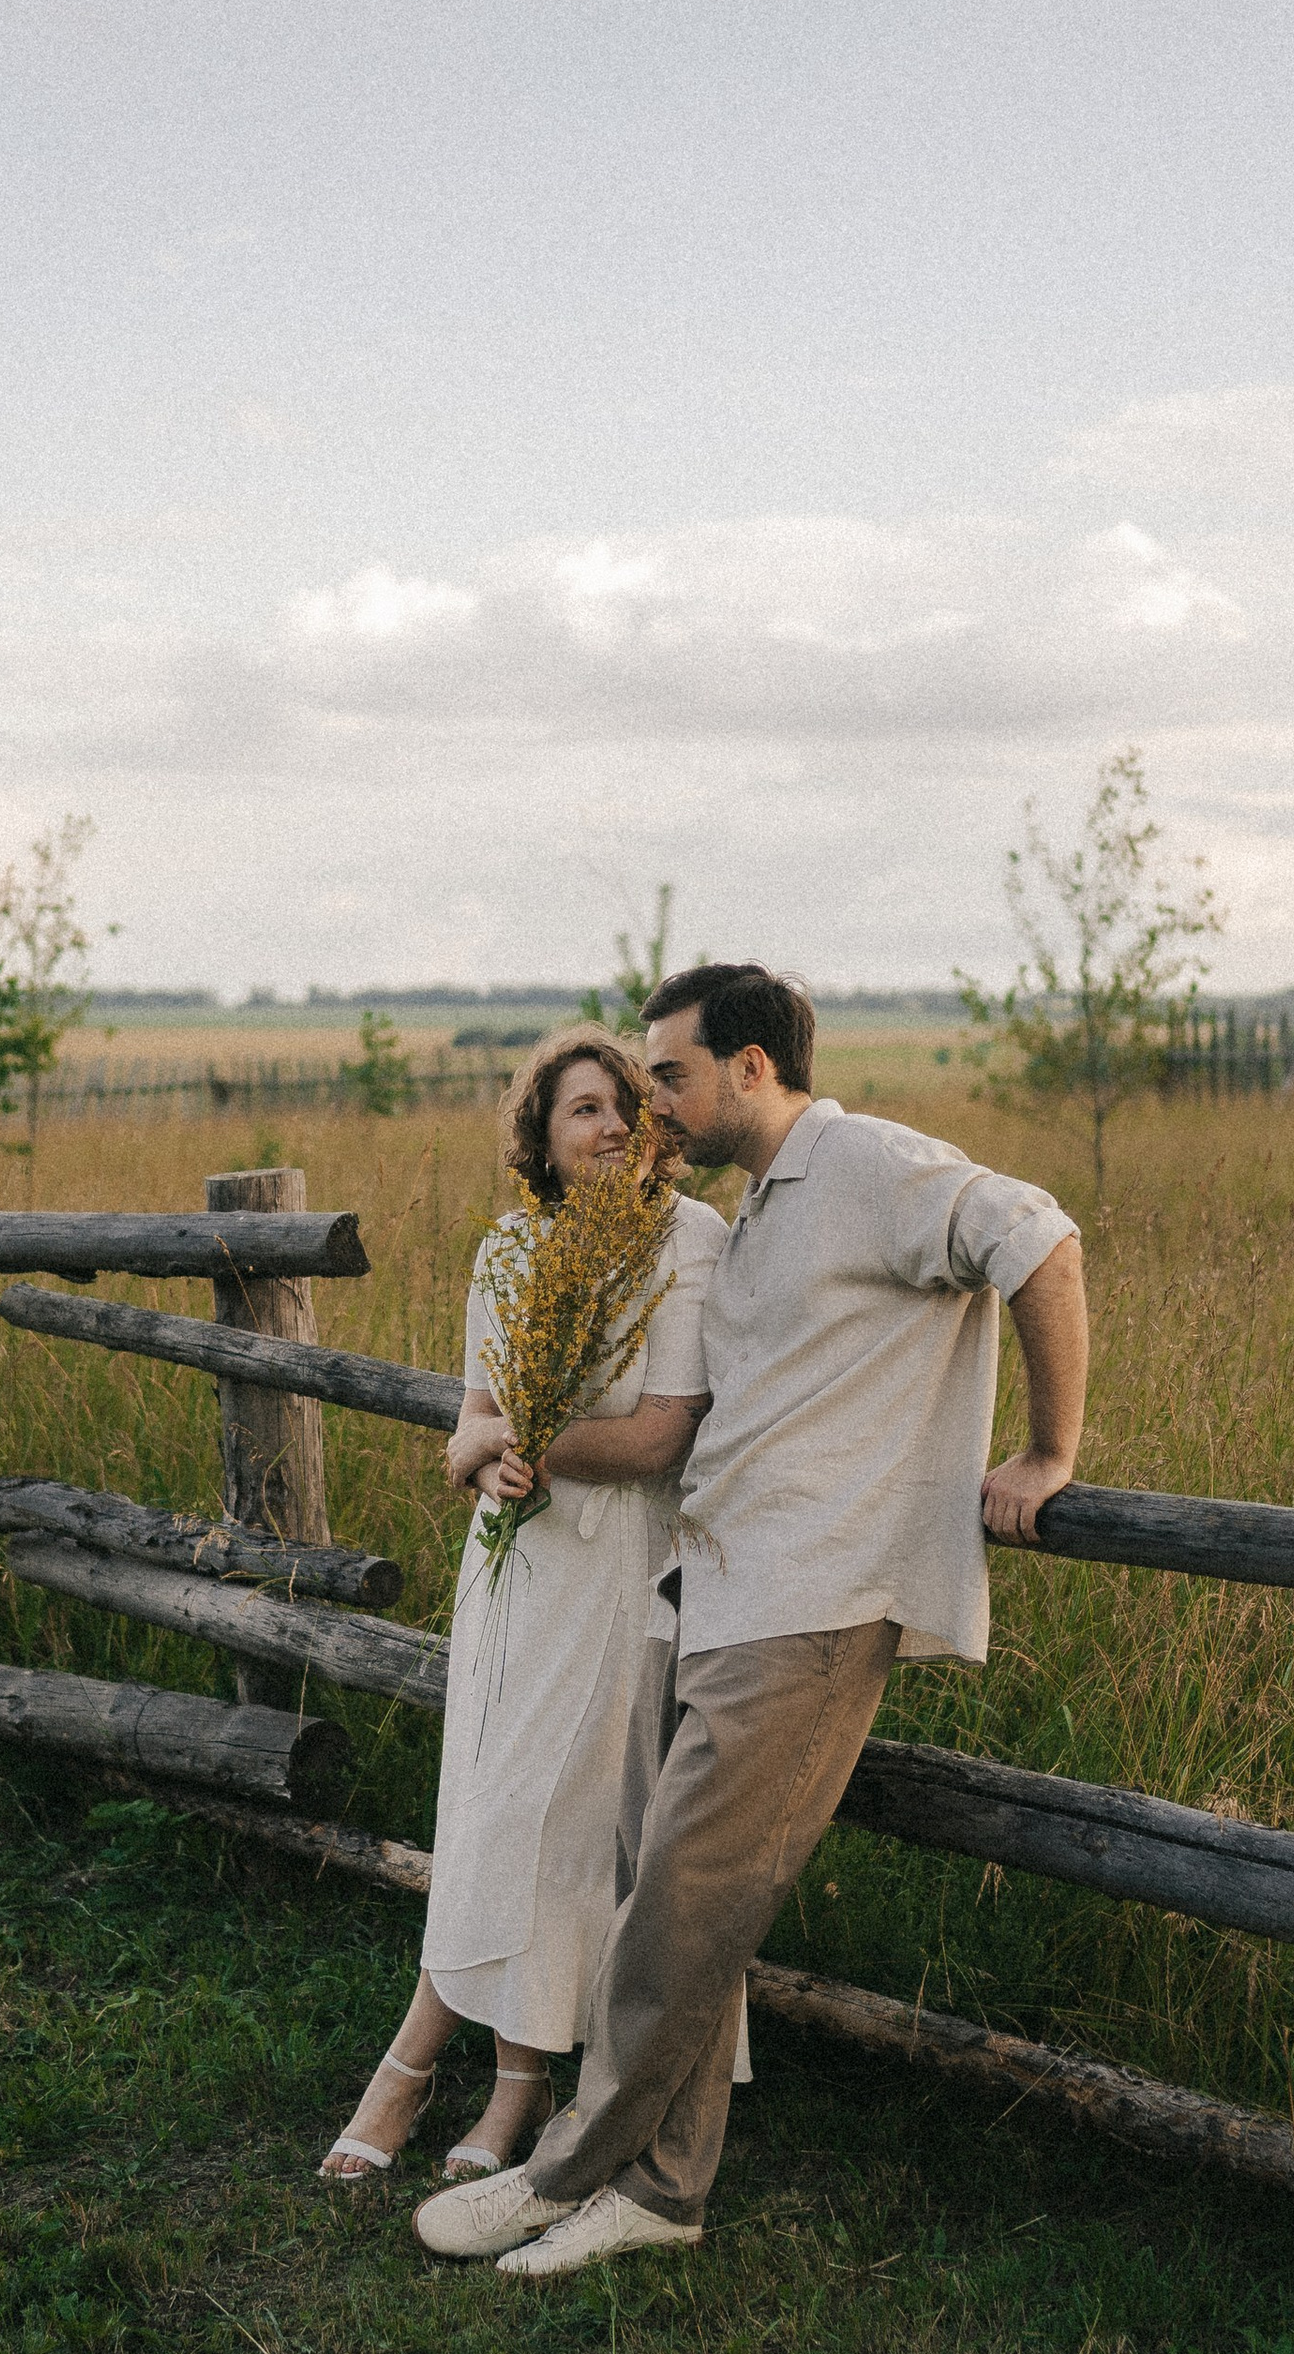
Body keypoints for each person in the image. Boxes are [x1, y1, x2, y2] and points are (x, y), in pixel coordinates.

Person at [413, 961, 1088, 2278]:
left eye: (669, 1074)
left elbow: (1041, 1238)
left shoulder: (871, 1167)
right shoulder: (755, 1211)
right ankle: (666, 2193)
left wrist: (1049, 1452)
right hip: (712, 1587)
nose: (653, 1103)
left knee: (675, 1901)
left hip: (813, 1597)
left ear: (752, 1069)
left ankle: (564, 2172)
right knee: (689, 1903)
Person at [319, 1030, 728, 2182]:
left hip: (619, 1570)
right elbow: (467, 1427)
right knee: (496, 1810)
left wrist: (539, 1446)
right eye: (581, 1112)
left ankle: (416, 2067)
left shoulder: (689, 1243)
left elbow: (661, 1434)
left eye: (623, 1108)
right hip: (513, 1568)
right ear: (541, 1142)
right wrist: (491, 1455)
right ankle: (515, 2079)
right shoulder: (508, 1251)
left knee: (548, 1821)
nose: (607, 1129)